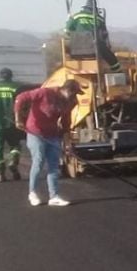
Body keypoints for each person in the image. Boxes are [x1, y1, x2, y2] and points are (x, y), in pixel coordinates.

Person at [14, 79, 84, 207]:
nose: (75, 97)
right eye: (73, 93)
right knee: (39, 161)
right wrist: (18, 118)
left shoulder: (70, 102)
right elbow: (21, 97)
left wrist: (67, 141)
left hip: (52, 134)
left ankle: (54, 196)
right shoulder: (44, 93)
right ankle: (32, 193)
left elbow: (66, 122)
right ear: (66, 90)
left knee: (54, 164)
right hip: (35, 132)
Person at [65, 0, 122, 72]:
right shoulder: (99, 19)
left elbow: (67, 32)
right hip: (94, 50)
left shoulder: (76, 17)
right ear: (95, 9)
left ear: (85, 8)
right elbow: (104, 35)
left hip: (75, 51)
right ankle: (116, 69)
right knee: (104, 49)